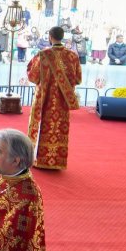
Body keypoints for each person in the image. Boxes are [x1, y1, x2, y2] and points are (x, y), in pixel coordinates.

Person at [25, 26, 82, 170]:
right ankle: (57, 161)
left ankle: (39, 159)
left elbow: (33, 76)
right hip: (62, 100)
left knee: (42, 125)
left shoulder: (43, 54)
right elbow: (78, 79)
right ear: (62, 36)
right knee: (58, 128)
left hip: (44, 98)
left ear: (50, 36)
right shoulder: (72, 56)